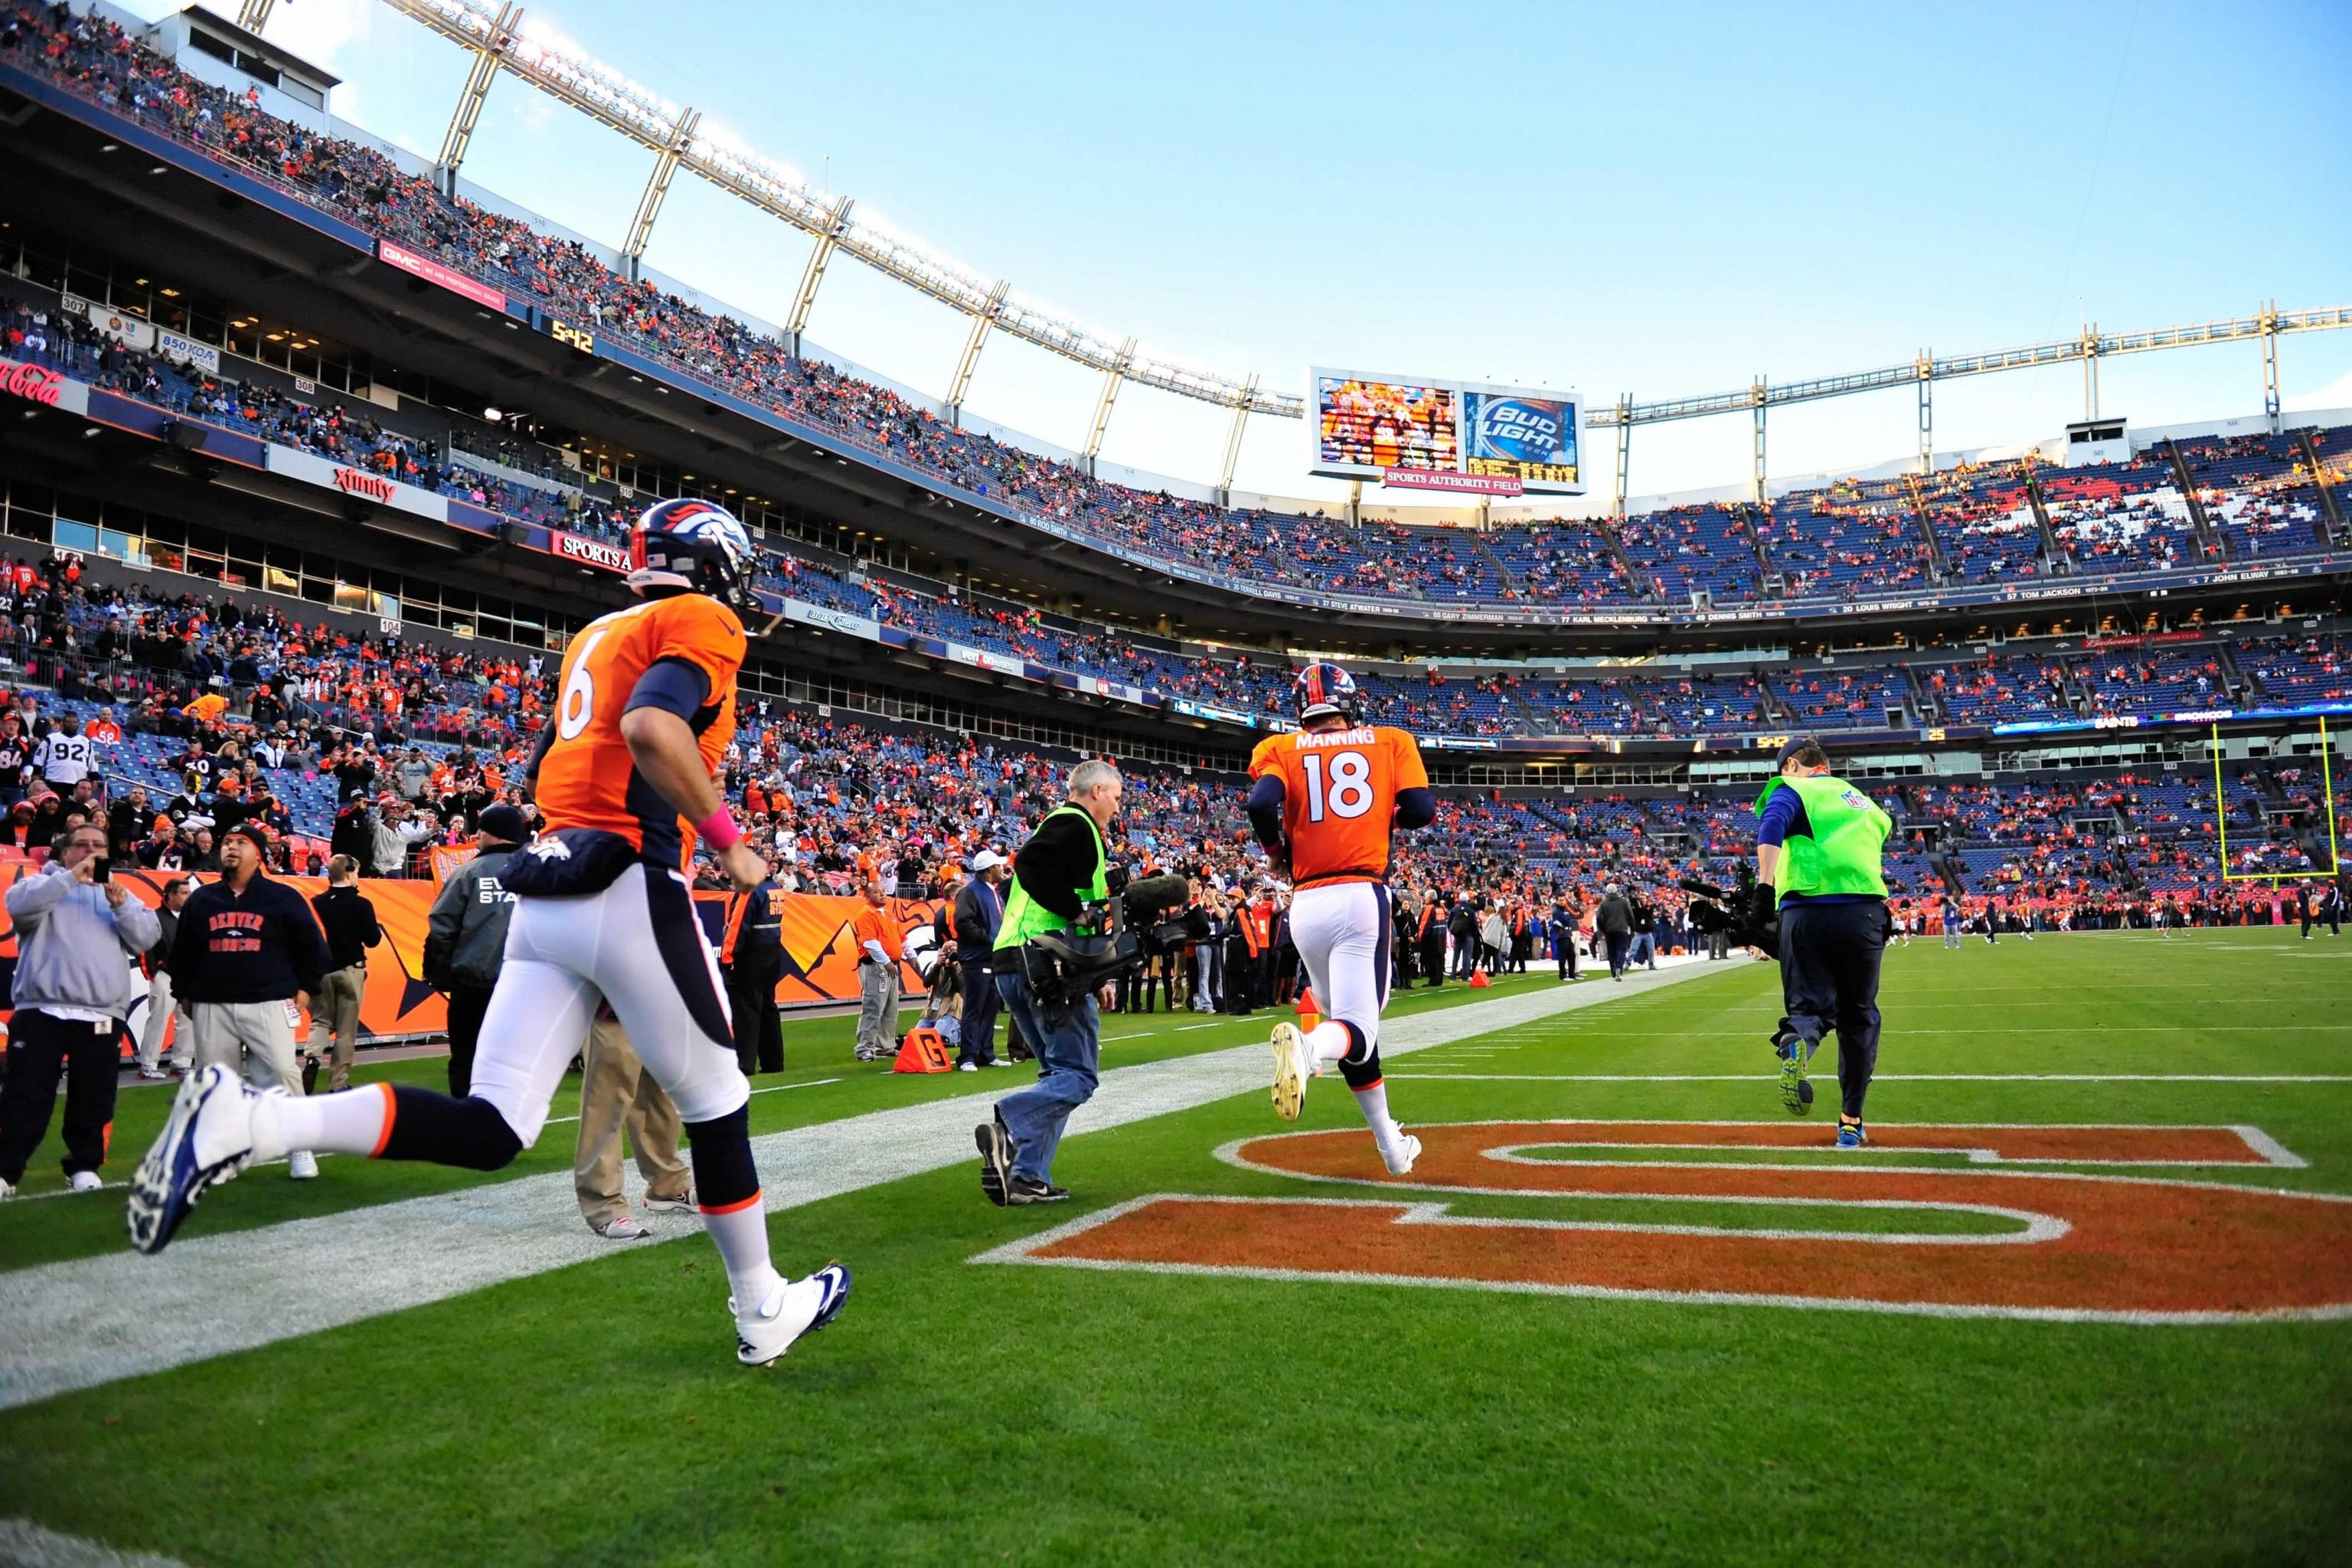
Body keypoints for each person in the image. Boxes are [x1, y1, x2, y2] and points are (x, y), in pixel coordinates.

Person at [129, 497, 850, 1368]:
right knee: (719, 1100)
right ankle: (761, 1302)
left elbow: (560, 758)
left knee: (496, 1124)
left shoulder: (598, 634)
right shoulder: (699, 616)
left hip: (551, 893)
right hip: (628, 879)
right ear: (718, 564)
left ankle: (251, 1124)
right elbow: (653, 726)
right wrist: (730, 844)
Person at [1253, 663, 1436, 1175]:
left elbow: (1259, 801)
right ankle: (1308, 1051)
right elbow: (1421, 809)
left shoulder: (1281, 750)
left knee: (1353, 1035)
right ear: (1349, 705)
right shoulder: (1389, 740)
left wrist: (1276, 850)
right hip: (1360, 895)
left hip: (1306, 903)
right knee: (1357, 1027)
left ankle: (1392, 1148)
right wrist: (1385, 816)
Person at [975, 759, 1125, 1207]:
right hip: (1045, 963)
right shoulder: (1075, 824)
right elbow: (1033, 864)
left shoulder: (1065, 826)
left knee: (1056, 1074)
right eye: (1116, 797)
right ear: (1097, 790)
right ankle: (1009, 1126)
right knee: (1078, 1076)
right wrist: (1076, 912)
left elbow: (1036, 869)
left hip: (1015, 961)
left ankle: (1027, 1176)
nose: (1118, 807)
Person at [0, 823, 163, 1198]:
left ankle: (85, 1166)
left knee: (94, 1097)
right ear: (64, 851)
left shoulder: (119, 892)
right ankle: (7, 1170)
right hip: (42, 1008)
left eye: (98, 846)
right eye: (82, 845)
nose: (91, 852)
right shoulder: (41, 883)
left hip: (101, 1011)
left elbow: (148, 937)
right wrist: (72, 878)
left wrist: (122, 905)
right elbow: (18, 907)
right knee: (25, 1096)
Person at [164, 822, 329, 1180]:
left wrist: (305, 990)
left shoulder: (283, 897)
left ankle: (299, 1148)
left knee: (283, 1074)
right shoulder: (203, 900)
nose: (231, 848)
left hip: (268, 1000)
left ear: (259, 853)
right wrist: (185, 993)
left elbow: (313, 949)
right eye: (227, 842)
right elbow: (183, 954)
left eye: (241, 842)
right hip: (213, 1003)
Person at [1755, 737, 1894, 1148]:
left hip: (1807, 910)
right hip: (1864, 913)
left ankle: (1799, 1040)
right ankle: (1851, 1122)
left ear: (1794, 765)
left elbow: (1772, 824)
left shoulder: (1793, 788)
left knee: (1808, 1007)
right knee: (1859, 1016)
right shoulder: (1864, 802)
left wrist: (1764, 888)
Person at [420, 805, 528, 1096]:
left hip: (473, 984)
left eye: (482, 830)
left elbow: (442, 926)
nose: (477, 835)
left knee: (467, 1059)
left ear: (490, 833)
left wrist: (440, 973)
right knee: (513, 1062)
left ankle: (464, 1123)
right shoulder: (538, 871)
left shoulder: (469, 872)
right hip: (526, 986)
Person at [573, 1011, 694, 1240]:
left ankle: (669, 1183)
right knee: (606, 1094)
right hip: (611, 995)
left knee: (658, 1091)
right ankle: (603, 1204)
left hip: (658, 997)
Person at [307, 855, 384, 1092]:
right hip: (351, 969)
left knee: (320, 1021)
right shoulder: (361, 904)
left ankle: (312, 1058)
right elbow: (373, 940)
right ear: (350, 872)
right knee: (346, 1030)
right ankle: (337, 1083)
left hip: (322, 971)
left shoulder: (315, 902)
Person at [720, 873, 786, 1076]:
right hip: (772, 951)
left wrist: (727, 957)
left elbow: (737, 925)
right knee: (768, 1007)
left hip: (750, 956)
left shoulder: (749, 890)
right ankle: (773, 1061)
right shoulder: (774, 887)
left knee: (745, 1011)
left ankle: (744, 1064)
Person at [133, 876, 199, 1081]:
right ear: (170, 895)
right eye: (184, 893)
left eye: (189, 893)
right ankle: (147, 1065)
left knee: (187, 1021)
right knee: (158, 1020)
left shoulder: (191, 918)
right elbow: (145, 947)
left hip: (187, 977)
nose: (188, 897)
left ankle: (181, 1063)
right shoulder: (154, 917)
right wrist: (153, 974)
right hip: (165, 976)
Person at [951, 848, 1009, 1070]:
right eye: (998, 866)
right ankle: (967, 1055)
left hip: (991, 957)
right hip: (977, 958)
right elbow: (963, 923)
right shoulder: (970, 892)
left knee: (990, 1007)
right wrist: (988, 939)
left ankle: (986, 1052)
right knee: (975, 1008)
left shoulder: (991, 891)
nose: (1001, 869)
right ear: (989, 870)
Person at [849, 880, 903, 1062]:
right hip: (876, 966)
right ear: (868, 896)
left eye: (883, 891)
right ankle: (865, 1047)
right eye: (877, 892)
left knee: (890, 1007)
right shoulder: (866, 915)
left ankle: (885, 1045)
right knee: (874, 1006)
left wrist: (910, 957)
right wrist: (887, 962)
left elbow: (902, 939)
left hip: (891, 965)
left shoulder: (889, 914)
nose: (882, 894)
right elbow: (870, 942)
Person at [1596, 883, 1633, 980]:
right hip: (1622, 930)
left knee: (1611, 953)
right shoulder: (1624, 902)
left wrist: (1603, 929)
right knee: (1621, 951)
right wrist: (1633, 929)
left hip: (1609, 931)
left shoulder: (1603, 904)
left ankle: (1613, 971)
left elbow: (1599, 918)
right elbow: (1630, 916)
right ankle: (1619, 969)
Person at [1548, 899, 1579, 980]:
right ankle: (1563, 975)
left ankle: (1571, 974)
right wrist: (1568, 920)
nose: (1562, 902)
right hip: (1561, 934)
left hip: (1567, 934)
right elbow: (1566, 921)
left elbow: (1571, 919)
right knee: (1563, 956)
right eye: (1560, 900)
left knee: (1572, 954)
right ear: (1557, 901)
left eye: (1563, 900)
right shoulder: (1557, 911)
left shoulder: (1565, 910)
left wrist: (1568, 920)